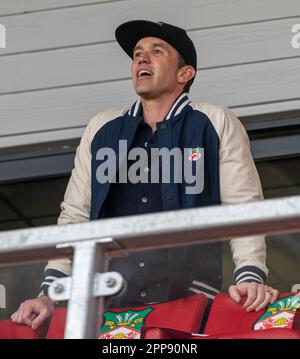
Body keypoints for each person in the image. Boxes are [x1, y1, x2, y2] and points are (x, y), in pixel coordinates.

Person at [11, 20, 279, 331]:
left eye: (156, 51)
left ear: (184, 73)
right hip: (106, 311)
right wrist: (49, 294)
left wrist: (250, 276)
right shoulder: (101, 128)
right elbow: (75, 219)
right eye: (137, 53)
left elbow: (243, 209)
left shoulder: (214, 121)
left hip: (188, 307)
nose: (141, 58)